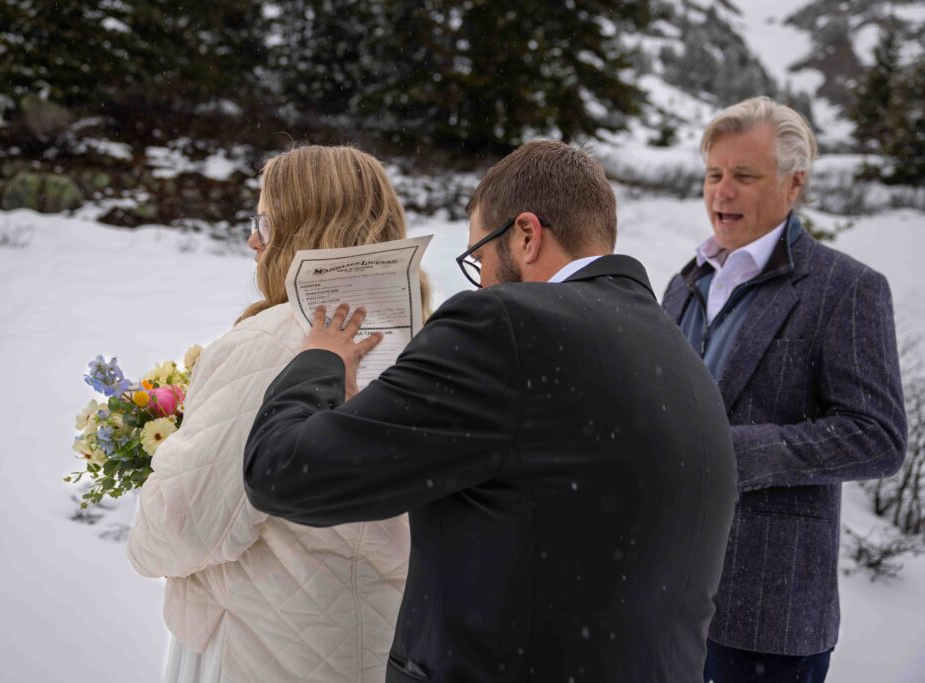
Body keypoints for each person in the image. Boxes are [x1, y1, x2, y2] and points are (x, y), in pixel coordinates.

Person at [243, 140, 738, 682]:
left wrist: (319, 361)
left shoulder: (505, 325)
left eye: (478, 257)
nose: (479, 280)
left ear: (526, 235)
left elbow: (282, 472)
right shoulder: (678, 353)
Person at [127, 145, 432, 683]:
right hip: (375, 639)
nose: (252, 239)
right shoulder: (426, 335)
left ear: (302, 228)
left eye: (265, 222)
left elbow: (182, 525)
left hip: (262, 646)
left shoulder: (278, 342)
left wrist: (163, 470)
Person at [662, 96, 907, 683]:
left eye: (744, 176)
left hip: (768, 615)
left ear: (793, 184)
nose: (722, 192)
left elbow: (878, 437)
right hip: (667, 600)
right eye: (714, 174)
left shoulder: (846, 288)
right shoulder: (682, 282)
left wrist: (735, 452)